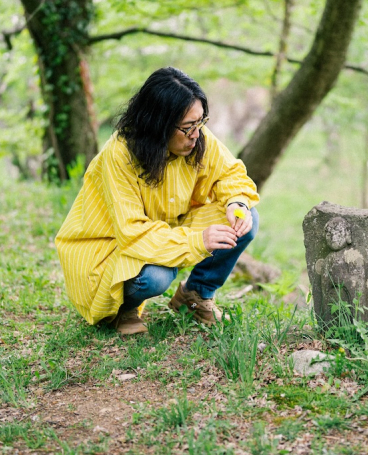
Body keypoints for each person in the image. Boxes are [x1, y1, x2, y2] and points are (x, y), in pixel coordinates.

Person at [55, 67, 260, 335]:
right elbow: (132, 233)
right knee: (156, 277)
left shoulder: (196, 138)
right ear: (157, 123)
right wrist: (196, 241)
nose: (196, 134)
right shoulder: (119, 155)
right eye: (187, 127)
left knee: (247, 219)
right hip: (114, 248)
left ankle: (195, 295)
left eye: (200, 123)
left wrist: (236, 202)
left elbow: (229, 172)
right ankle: (124, 307)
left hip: (167, 229)